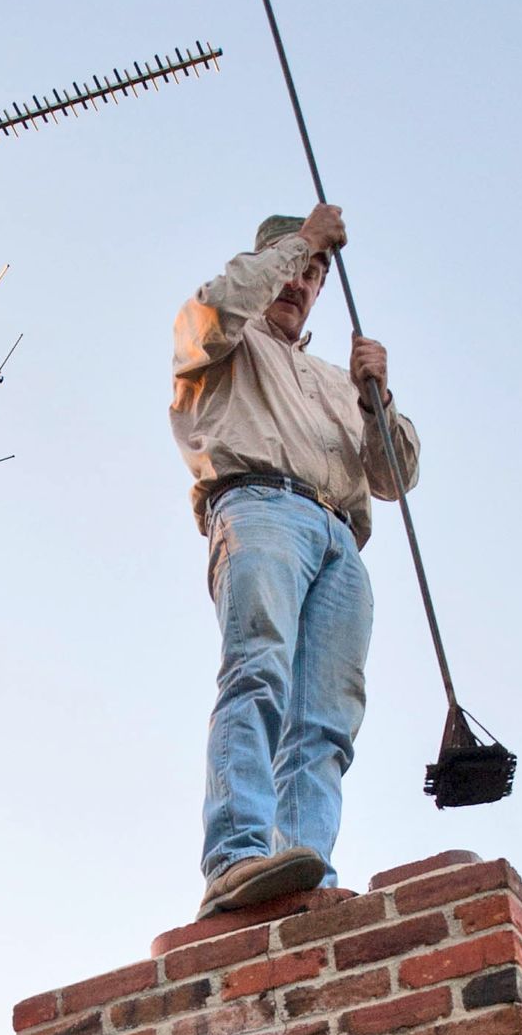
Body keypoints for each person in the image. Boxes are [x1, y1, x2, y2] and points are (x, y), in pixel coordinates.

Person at [171, 202, 420, 917]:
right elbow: (218, 308)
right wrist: (304, 238)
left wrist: (379, 401)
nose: (302, 280)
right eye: (292, 262)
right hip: (259, 506)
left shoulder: (336, 380)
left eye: (315, 271)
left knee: (327, 721)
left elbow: (394, 479)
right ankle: (237, 855)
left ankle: (305, 870)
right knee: (258, 671)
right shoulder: (219, 335)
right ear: (266, 260)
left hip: (342, 537)